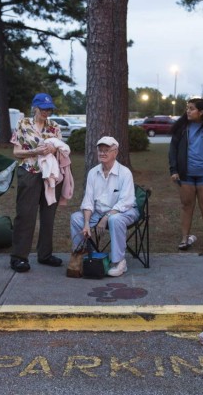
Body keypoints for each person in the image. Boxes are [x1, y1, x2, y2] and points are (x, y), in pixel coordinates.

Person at [9, 93, 64, 273]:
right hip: (29, 172)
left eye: (49, 109)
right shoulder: (23, 124)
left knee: (48, 216)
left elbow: (61, 149)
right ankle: (19, 257)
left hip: (50, 175)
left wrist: (53, 149)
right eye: (43, 109)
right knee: (26, 215)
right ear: (34, 108)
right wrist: (35, 151)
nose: (46, 112)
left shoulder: (54, 126)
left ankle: (45, 254)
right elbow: (16, 152)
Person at [70, 136, 139, 277]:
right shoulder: (93, 173)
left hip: (125, 211)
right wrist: (87, 223)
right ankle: (83, 256)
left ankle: (119, 262)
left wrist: (106, 217)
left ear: (116, 152)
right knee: (76, 218)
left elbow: (126, 201)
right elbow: (88, 201)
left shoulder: (125, 173)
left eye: (106, 150)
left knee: (115, 219)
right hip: (99, 212)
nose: (102, 153)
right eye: (100, 150)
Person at [168, 98, 203, 251]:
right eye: (187, 108)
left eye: (192, 108)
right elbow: (173, 149)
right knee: (187, 206)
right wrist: (173, 170)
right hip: (185, 174)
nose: (188, 111)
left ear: (201, 112)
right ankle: (184, 239)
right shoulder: (182, 128)